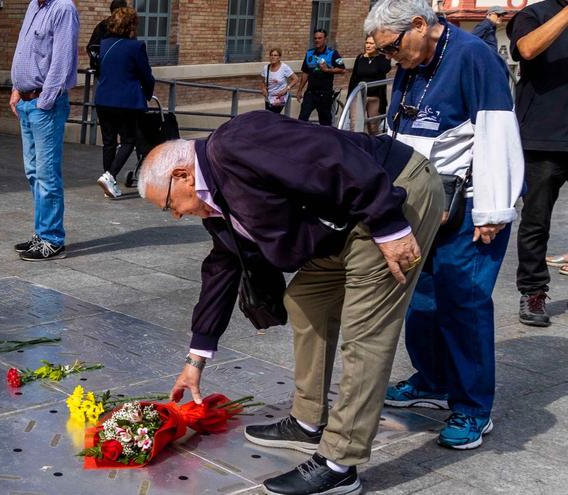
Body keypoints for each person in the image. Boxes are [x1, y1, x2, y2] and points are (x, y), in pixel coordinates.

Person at [137, 111, 443, 495]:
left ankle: (340, 464)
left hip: (389, 194)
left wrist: (390, 226)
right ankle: (308, 421)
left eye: (169, 205)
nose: (177, 214)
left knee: (366, 331)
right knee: (304, 299)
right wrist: (196, 358)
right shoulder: (216, 202)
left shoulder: (237, 142)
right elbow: (222, 268)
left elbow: (333, 157)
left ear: (181, 175)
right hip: (346, 222)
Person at [367, 0, 524, 450]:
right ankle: (432, 380)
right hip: (422, 203)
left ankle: (473, 409)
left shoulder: (474, 57)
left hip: (471, 208)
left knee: (464, 304)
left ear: (420, 25)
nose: (391, 58)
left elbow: (497, 130)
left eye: (393, 48)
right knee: (421, 298)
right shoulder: (412, 60)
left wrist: (492, 211)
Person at [508, 0, 568, 327]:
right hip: (543, 138)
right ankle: (533, 291)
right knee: (536, 220)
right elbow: (527, 49)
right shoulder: (534, 14)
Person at [9, 0, 79, 261]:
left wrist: (43, 101)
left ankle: (52, 239)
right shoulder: (33, 6)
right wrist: (17, 88)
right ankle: (42, 234)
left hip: (43, 104)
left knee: (47, 175)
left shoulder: (63, 8)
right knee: (33, 172)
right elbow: (26, 51)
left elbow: (60, 62)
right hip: (28, 103)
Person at [94, 7, 155, 199]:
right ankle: (109, 176)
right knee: (129, 140)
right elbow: (146, 75)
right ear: (131, 25)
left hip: (103, 98)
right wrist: (148, 93)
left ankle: (108, 181)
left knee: (109, 142)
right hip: (126, 101)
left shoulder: (104, 44)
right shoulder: (136, 47)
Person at [296, 29, 345, 126]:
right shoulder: (309, 53)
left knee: (325, 122)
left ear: (325, 39)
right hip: (310, 93)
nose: (317, 40)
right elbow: (305, 73)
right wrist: (299, 90)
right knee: (302, 119)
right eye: (315, 38)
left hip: (325, 94)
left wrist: (327, 70)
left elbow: (342, 69)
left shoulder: (333, 53)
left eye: (319, 38)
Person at [347, 36, 392, 134]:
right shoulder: (360, 57)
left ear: (377, 45)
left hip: (375, 97)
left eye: (372, 43)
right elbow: (354, 77)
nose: (368, 45)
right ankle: (357, 146)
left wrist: (382, 53)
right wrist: (349, 97)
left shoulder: (382, 58)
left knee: (373, 127)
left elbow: (386, 69)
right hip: (359, 96)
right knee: (355, 126)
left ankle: (373, 147)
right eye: (367, 43)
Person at [86, 0, 127, 72]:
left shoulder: (101, 25)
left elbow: (90, 47)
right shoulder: (126, 28)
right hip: (119, 72)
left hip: (100, 71)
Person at [260, 47, 298, 115]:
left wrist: (286, 89)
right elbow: (263, 82)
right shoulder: (266, 68)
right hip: (268, 97)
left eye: (275, 55)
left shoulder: (284, 67)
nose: (273, 57)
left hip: (279, 97)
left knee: (272, 117)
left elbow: (295, 79)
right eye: (271, 55)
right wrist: (263, 88)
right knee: (269, 117)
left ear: (279, 57)